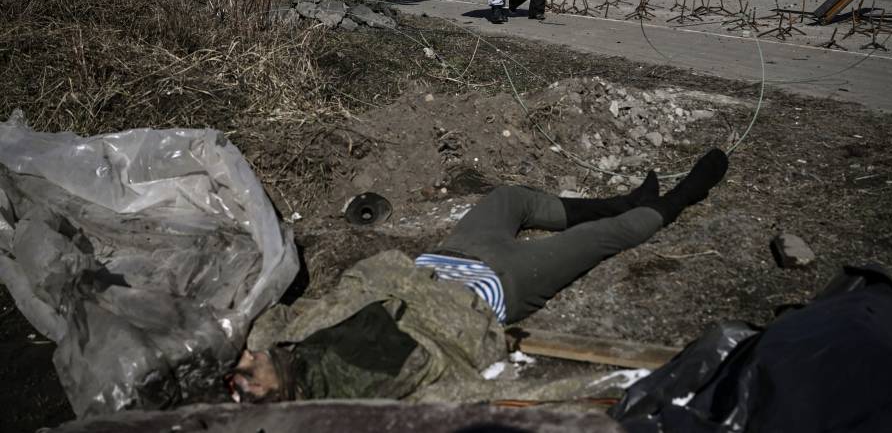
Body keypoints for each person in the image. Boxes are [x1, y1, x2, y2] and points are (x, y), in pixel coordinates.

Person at [230, 149, 729, 403]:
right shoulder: (358, 385)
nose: (249, 362)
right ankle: (682, 196)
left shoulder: (287, 342)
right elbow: (464, 381)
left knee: (507, 198)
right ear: (272, 397)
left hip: (448, 254)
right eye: (249, 376)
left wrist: (256, 353)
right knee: (606, 239)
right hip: (502, 280)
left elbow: (258, 326)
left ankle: (622, 200)